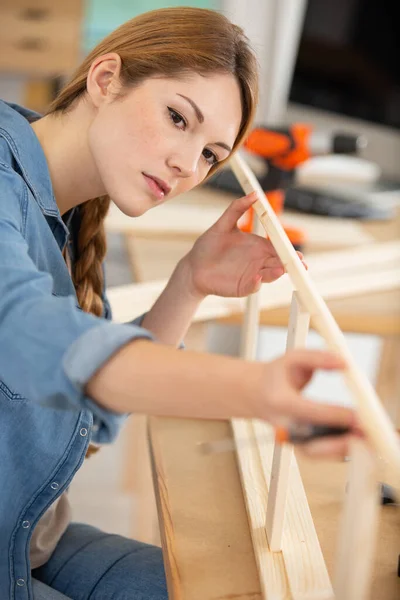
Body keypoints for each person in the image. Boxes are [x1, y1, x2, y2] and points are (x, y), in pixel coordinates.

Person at [0, 7, 358, 600]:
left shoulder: (69, 207)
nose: (187, 166)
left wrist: (190, 281)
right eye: (176, 118)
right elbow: (28, 331)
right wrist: (255, 389)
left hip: (31, 532)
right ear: (105, 78)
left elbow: (80, 416)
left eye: (212, 155)